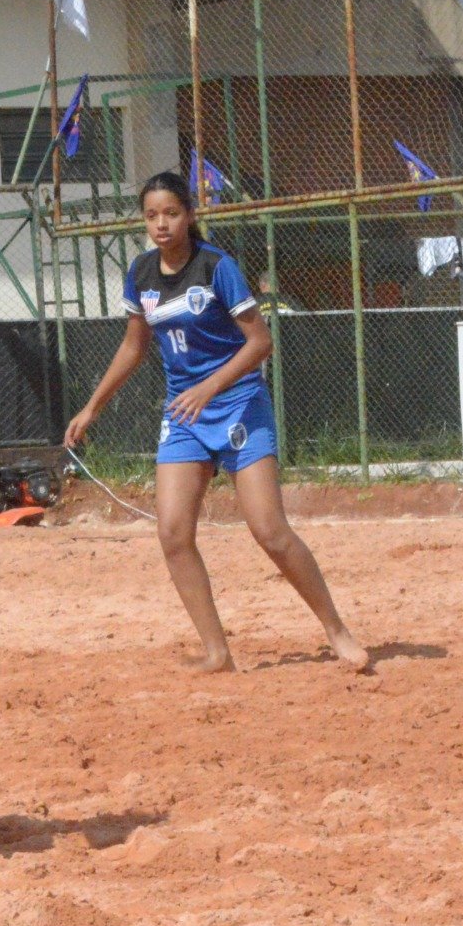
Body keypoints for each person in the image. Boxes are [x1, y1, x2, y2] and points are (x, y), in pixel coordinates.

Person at [65, 171, 367, 673]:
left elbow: (260, 342)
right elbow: (134, 345)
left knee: (270, 532)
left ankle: (337, 630)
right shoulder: (140, 274)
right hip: (185, 417)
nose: (161, 224)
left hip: (237, 405)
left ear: (190, 215)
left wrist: (209, 387)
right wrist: (92, 405)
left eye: (172, 213)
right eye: (152, 215)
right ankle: (216, 652)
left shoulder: (217, 266)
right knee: (173, 534)